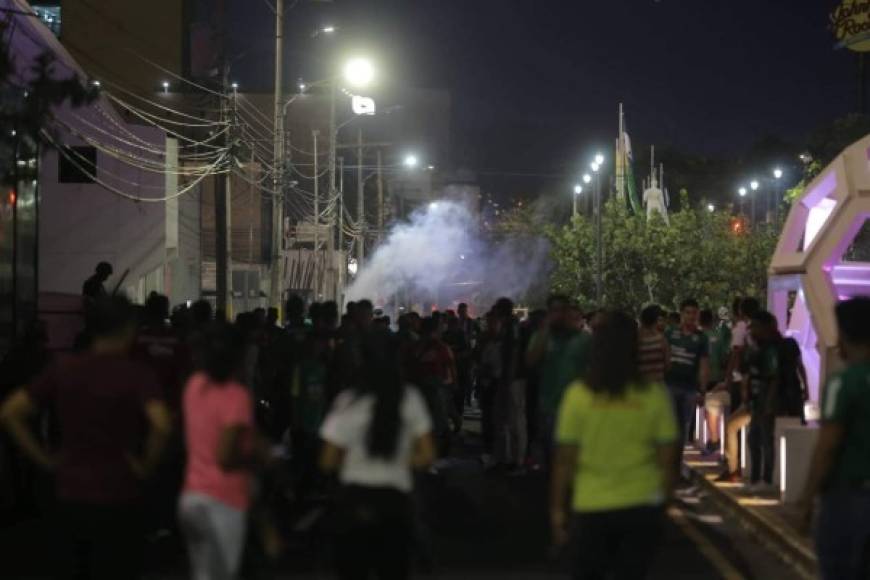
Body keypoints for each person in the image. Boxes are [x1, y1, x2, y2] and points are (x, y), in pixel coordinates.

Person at [0, 295, 172, 580]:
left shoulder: (63, 368)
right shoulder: (136, 373)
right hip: (120, 490)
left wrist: (44, 460)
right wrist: (145, 466)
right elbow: (162, 425)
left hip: (68, 489)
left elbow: (9, 413)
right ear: (129, 327)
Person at [551, 310, 678, 579]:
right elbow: (668, 461)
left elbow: (564, 461)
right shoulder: (653, 396)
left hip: (591, 506)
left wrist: (558, 511)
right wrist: (662, 507)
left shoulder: (578, 396)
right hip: (641, 506)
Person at [320, 337, 435, 580]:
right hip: (394, 502)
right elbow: (427, 455)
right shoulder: (409, 398)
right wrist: (401, 460)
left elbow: (327, 460)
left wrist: (352, 461)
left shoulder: (348, 401)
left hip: (355, 501)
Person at [178, 323, 265, 580]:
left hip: (192, 497)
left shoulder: (194, 385)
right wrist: (259, 458)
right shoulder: (235, 396)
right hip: (224, 500)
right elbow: (225, 456)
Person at [798, 297, 870, 580]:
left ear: (846, 334)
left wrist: (806, 501)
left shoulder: (844, 383)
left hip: (848, 500)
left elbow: (827, 447)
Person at [526, 294, 591, 470]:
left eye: (562, 310)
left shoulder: (583, 339)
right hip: (549, 408)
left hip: (577, 409)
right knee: (553, 459)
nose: (559, 315)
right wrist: (546, 329)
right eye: (554, 311)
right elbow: (531, 361)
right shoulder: (542, 337)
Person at [717, 297, 761, 483]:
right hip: (755, 384)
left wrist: (728, 378)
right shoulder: (760, 329)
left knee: (733, 425)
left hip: (739, 382)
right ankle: (741, 465)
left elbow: (736, 354)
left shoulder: (742, 328)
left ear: (741, 311)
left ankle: (733, 467)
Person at [664, 298, 710, 471]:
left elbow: (704, 365)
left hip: (690, 388)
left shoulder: (701, 338)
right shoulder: (670, 334)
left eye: (694, 313)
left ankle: (677, 464)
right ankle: (666, 464)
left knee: (684, 426)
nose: (691, 317)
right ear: (682, 314)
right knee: (669, 425)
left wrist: (702, 390)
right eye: (688, 313)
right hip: (669, 385)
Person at [701, 308, 730, 455]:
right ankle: (719, 441)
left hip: (704, 379)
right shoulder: (718, 336)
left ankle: (714, 439)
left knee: (709, 410)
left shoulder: (699, 336)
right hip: (718, 377)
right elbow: (725, 357)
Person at [638, 304, 669, 384]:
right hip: (656, 386)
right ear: (655, 320)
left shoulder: (634, 339)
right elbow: (667, 364)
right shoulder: (661, 340)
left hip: (639, 386)